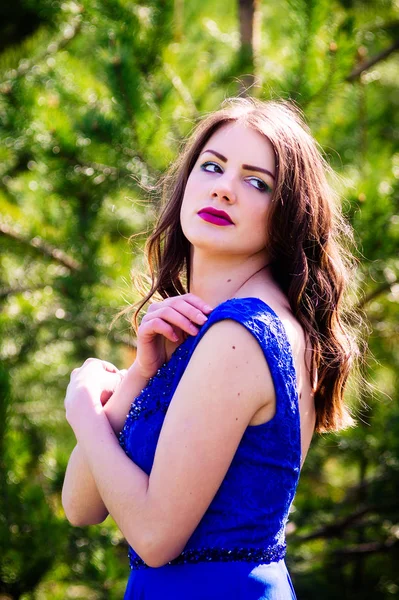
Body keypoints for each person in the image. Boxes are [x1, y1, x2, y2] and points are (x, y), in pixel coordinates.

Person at [62, 97, 359, 599]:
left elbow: (155, 538)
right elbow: (81, 507)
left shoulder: (240, 335)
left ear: (289, 212)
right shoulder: (211, 327)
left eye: (256, 181)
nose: (223, 188)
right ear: (186, 182)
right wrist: (137, 376)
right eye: (213, 166)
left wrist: (81, 407)